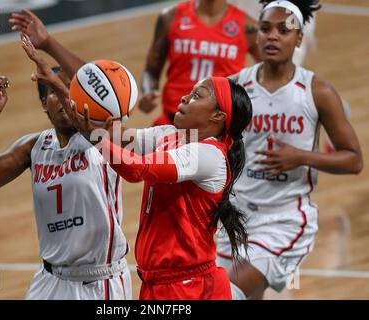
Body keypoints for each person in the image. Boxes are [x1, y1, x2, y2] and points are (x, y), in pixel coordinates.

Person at [21, 31, 254, 299]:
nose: (183, 98)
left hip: (190, 287)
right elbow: (115, 135)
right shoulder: (170, 135)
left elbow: (137, 169)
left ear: (218, 116)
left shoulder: (209, 156)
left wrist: (94, 133)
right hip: (157, 284)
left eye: (196, 96)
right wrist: (63, 89)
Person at [215, 0, 363, 300]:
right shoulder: (235, 87)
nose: (272, 36)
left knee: (227, 295)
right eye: (265, 28)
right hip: (234, 216)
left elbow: (354, 160)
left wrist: (301, 157)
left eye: (284, 30)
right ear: (255, 35)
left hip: (283, 222)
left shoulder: (317, 92)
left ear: (299, 39)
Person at [0, 68, 132, 298]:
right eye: (54, 91)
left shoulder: (103, 137)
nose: (64, 97)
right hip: (50, 280)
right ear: (44, 103)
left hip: (100, 282)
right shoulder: (35, 147)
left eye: (71, 90)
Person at [138, 0, 261, 126]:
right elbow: (151, 71)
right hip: (172, 120)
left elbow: (268, 70)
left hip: (217, 126)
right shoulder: (171, 16)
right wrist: (148, 92)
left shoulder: (248, 26)